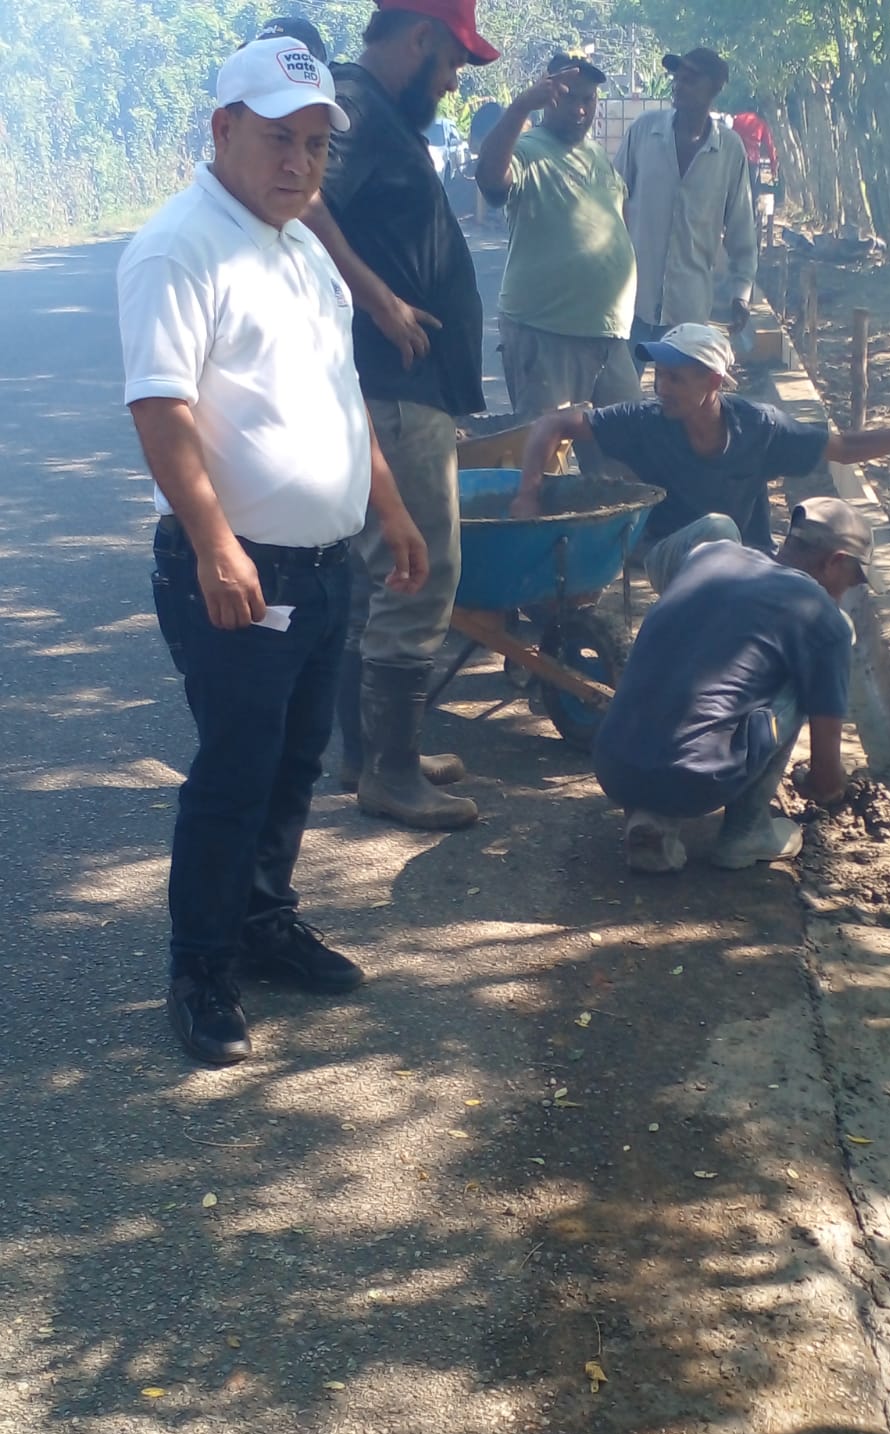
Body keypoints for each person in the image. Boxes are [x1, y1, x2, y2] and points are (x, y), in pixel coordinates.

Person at [118, 38, 430, 1066]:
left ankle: (262, 919)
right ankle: (201, 968)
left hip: (324, 563)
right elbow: (160, 409)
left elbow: (342, 397)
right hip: (240, 570)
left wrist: (390, 508)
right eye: (277, 139)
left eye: (315, 144)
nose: (299, 162)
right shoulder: (181, 247)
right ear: (223, 129)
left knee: (296, 764)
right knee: (235, 774)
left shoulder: (302, 250)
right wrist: (215, 545)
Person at [302, 0, 499, 832]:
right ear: (421, 38)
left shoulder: (377, 112)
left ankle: (372, 756)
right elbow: (306, 202)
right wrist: (379, 297)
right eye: (452, 63)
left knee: (383, 574)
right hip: (391, 386)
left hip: (399, 387)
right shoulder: (352, 104)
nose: (452, 83)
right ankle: (389, 772)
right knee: (421, 570)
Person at [512, 322, 890, 592]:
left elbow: (844, 449)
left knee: (824, 593)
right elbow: (552, 425)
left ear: (713, 383)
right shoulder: (646, 421)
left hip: (748, 564)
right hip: (668, 558)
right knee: (719, 528)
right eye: (658, 376)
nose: (661, 388)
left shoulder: (760, 427)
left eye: (675, 379)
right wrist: (528, 494)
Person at [591, 497, 873, 873]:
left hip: (612, 765)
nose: (846, 593)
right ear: (834, 561)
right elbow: (825, 772)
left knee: (693, 652)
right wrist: (829, 788)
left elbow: (664, 562)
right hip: (698, 782)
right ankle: (747, 832)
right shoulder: (823, 617)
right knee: (807, 670)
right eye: (852, 581)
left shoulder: (710, 553)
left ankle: (653, 821)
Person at [475, 52, 641, 421]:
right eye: (569, 97)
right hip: (546, 334)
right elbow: (490, 179)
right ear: (548, 95)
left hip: (609, 336)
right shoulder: (528, 149)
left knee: (627, 447)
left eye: (588, 99)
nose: (580, 109)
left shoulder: (597, 155)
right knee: (546, 449)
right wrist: (520, 107)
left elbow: (621, 216)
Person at [614, 47, 756, 348]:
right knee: (622, 380)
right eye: (677, 78)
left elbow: (741, 229)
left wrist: (741, 293)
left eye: (690, 79)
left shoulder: (729, 150)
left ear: (714, 89)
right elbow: (611, 198)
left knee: (677, 380)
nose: (679, 85)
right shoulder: (644, 132)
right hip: (632, 300)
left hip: (688, 307)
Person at [731, 107, 777, 204]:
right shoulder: (760, 123)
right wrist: (773, 167)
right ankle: (752, 209)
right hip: (752, 160)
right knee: (753, 190)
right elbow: (769, 146)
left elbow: (732, 139)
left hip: (737, 159)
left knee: (735, 188)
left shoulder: (738, 119)